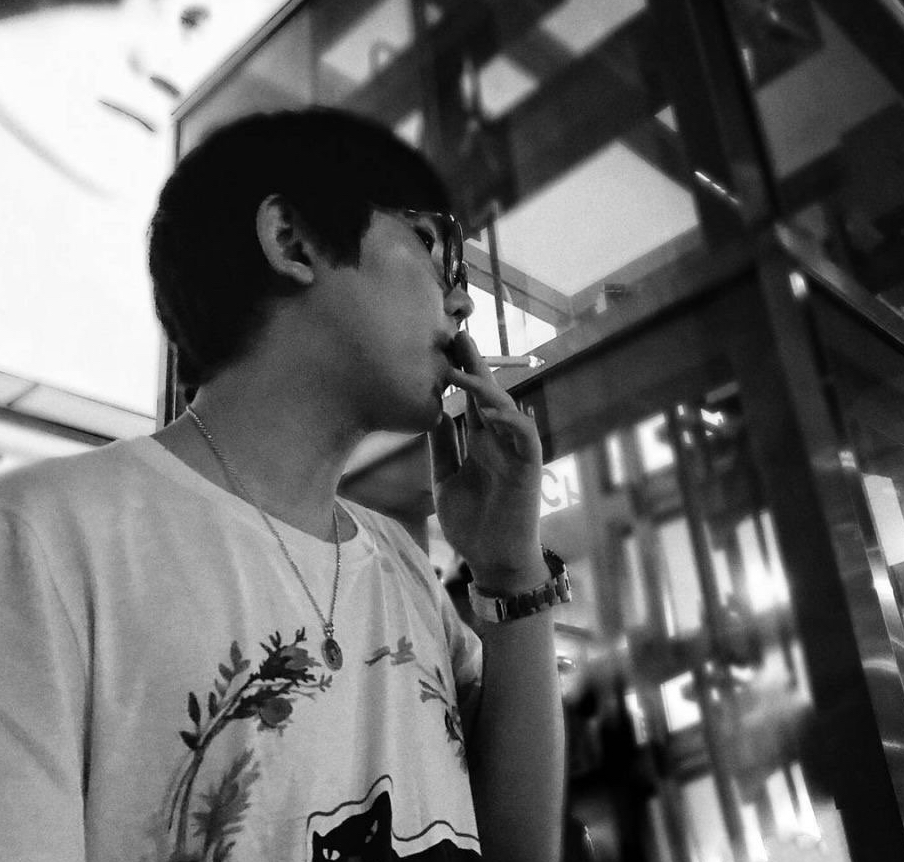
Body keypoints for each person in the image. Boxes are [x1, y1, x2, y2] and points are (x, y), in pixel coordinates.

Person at [0, 108, 566, 861]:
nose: (460, 302)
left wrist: (511, 571)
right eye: (432, 244)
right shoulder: (44, 540)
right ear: (293, 241)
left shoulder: (403, 567)